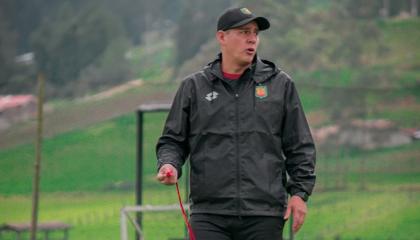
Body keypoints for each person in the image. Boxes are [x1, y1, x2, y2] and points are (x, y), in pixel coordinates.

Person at [156, 6, 316, 240]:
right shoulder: (194, 87)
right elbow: (172, 141)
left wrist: (299, 193)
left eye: (255, 33)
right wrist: (168, 164)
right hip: (209, 214)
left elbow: (300, 145)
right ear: (222, 37)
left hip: (264, 214)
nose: (252, 39)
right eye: (243, 32)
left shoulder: (280, 85)